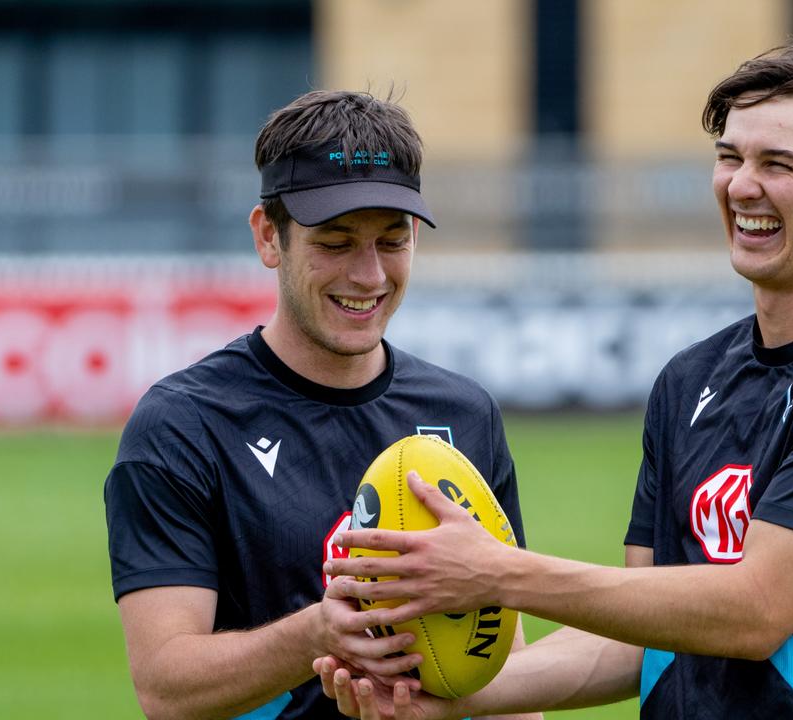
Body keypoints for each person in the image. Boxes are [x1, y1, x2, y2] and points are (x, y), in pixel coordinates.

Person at [319, 31, 793, 720]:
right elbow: (639, 639)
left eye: (778, 163)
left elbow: (756, 610)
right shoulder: (689, 380)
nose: (743, 185)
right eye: (730, 157)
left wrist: (496, 573)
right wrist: (441, 706)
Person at [103, 90, 537, 719]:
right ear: (267, 237)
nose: (369, 275)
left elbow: (507, 669)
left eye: (392, 241)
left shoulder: (466, 413)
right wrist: (316, 633)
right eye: (335, 243)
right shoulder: (182, 424)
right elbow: (165, 688)